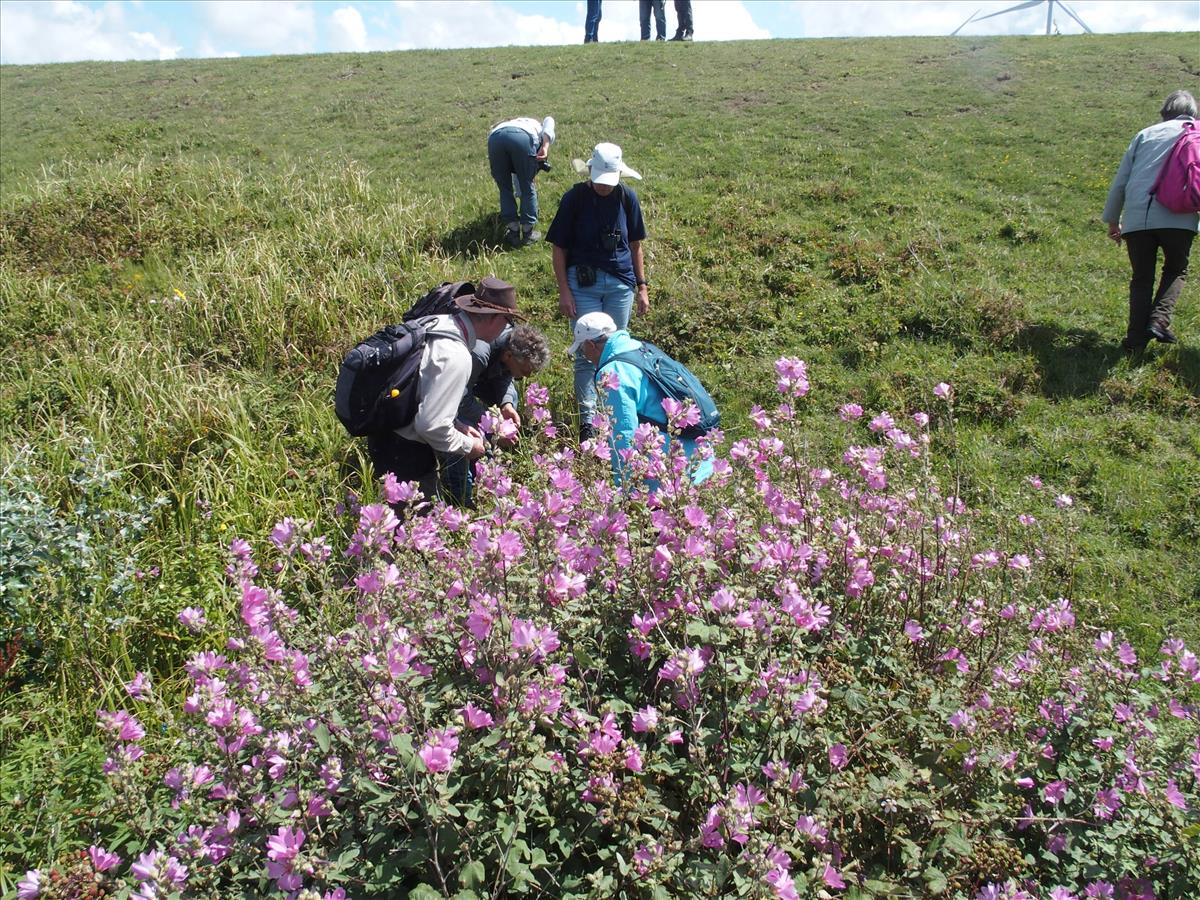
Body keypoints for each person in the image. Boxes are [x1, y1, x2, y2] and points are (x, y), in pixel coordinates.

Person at [366, 277, 524, 503]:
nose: (508, 328)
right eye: (508, 320)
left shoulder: (440, 322)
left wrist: (458, 425)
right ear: (496, 318)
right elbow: (430, 425)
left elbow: (426, 389)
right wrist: (469, 446)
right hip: (404, 447)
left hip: (387, 427)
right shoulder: (457, 355)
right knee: (418, 527)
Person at [546, 142, 649, 438]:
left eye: (609, 182)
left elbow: (635, 246)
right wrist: (564, 291)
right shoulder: (575, 199)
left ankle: (618, 414)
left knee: (616, 349)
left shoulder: (627, 198)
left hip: (620, 285)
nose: (604, 187)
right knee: (586, 352)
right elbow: (559, 248)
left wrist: (641, 287)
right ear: (590, 171)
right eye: (599, 181)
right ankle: (588, 423)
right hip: (583, 283)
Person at [568, 312, 713, 488]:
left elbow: (623, 432)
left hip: (671, 473)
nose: (586, 358)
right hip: (702, 457)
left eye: (583, 352)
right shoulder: (643, 348)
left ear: (591, 345)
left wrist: (625, 487)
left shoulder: (612, 371)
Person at [1102, 89, 1199, 350]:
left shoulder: (1145, 134)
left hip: (1137, 219)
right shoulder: (1196, 133)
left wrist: (1113, 220)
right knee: (1176, 269)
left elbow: (1120, 182)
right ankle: (1159, 320)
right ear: (1193, 113)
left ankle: (1134, 342)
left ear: (1164, 111)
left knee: (1142, 278)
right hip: (1180, 217)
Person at [440, 324, 551, 505]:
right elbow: (460, 399)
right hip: (446, 389)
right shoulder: (479, 353)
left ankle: (486, 474)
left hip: (474, 380)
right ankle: (460, 497)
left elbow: (505, 373)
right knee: (463, 433)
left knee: (511, 395)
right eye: (525, 371)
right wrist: (495, 426)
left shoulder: (508, 345)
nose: (526, 376)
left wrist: (505, 404)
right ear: (508, 355)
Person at [488, 116, 556, 246]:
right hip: (523, 138)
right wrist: (546, 147)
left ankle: (513, 230)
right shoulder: (538, 126)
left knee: (504, 188)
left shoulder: (508, 123)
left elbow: (515, 175)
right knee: (527, 186)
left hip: (494, 139)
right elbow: (549, 120)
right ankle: (527, 233)